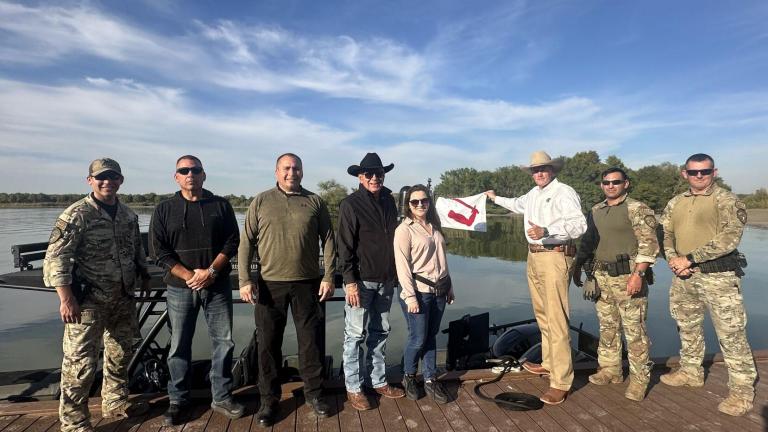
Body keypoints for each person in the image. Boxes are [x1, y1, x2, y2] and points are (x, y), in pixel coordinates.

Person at [43, 158, 150, 432]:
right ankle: (74, 423)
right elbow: (57, 257)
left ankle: (114, 404)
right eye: (101, 177)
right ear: (89, 180)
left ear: (120, 181)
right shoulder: (76, 214)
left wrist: (144, 275)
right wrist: (66, 298)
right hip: (87, 302)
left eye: (113, 177)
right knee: (79, 365)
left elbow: (135, 249)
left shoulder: (127, 214)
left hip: (123, 297)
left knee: (121, 353)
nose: (108, 182)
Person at [238, 153, 337, 426]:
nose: (291, 172)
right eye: (286, 168)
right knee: (268, 346)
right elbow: (245, 242)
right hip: (270, 284)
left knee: (311, 343)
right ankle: (268, 401)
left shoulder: (315, 201)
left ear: (302, 172)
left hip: (308, 284)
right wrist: (245, 280)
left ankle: (314, 395)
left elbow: (329, 240)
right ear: (276, 172)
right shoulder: (261, 201)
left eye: (296, 168)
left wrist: (328, 276)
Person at [484, 150, 587, 405]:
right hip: (534, 256)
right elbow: (517, 203)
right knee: (543, 315)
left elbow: (579, 225)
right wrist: (495, 198)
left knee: (557, 317)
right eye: (535, 170)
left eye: (543, 169)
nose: (539, 173)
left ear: (552, 170)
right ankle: (549, 363)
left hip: (555, 255)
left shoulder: (564, 192)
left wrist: (548, 229)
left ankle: (561, 381)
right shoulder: (533, 194)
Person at [659, 153, 756, 416]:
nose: (699, 176)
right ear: (684, 174)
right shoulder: (676, 202)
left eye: (705, 171)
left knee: (732, 334)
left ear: (714, 172)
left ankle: (742, 391)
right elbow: (664, 233)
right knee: (687, 327)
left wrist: (689, 258)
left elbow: (729, 238)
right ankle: (691, 371)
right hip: (684, 277)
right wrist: (673, 259)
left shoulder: (726, 200)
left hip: (719, 277)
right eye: (693, 172)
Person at [149, 155, 243, 424]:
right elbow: (159, 251)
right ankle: (178, 399)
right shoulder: (164, 209)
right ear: (176, 177)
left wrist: (211, 272)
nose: (190, 174)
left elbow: (232, 241)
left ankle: (222, 396)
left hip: (217, 285)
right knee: (179, 345)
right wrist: (190, 276)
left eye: (196, 170)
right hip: (180, 288)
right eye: (184, 170)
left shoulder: (221, 205)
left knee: (224, 342)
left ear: (204, 175)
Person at [573, 167, 658, 401]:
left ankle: (640, 380)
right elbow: (588, 243)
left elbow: (649, 245)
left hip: (628, 276)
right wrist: (582, 268)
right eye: (606, 182)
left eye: (616, 182)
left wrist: (638, 274)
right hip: (602, 276)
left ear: (626, 184)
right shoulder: (596, 210)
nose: (610, 186)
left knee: (635, 331)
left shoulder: (637, 209)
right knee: (608, 326)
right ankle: (611, 370)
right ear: (601, 185)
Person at [337, 153, 405, 410]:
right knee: (354, 335)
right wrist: (350, 282)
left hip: (387, 279)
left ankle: (378, 381)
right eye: (369, 174)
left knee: (381, 332)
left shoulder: (389, 200)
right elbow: (344, 247)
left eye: (379, 173)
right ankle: (354, 387)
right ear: (360, 177)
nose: (375, 177)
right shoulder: (350, 204)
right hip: (360, 282)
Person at [394, 184, 455, 404]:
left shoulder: (434, 225)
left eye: (424, 201)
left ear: (429, 202)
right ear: (408, 204)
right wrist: (409, 297)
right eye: (415, 202)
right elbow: (402, 266)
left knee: (431, 335)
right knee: (418, 338)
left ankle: (430, 377)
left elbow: (442, 259)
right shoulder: (404, 229)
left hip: (439, 289)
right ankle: (409, 375)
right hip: (418, 292)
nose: (420, 205)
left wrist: (449, 285)